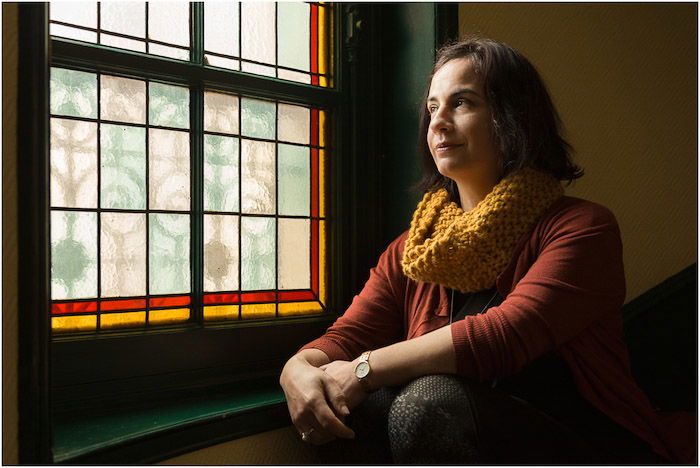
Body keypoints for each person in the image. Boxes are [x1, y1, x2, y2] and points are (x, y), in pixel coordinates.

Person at [279, 36, 688, 464]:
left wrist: (362, 370)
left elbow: (501, 338)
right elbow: (349, 335)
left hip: (583, 440)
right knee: (354, 409)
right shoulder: (414, 248)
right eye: (433, 107)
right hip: (465, 433)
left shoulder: (582, 228)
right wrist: (296, 370)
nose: (437, 122)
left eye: (463, 103)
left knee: (426, 401)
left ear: (513, 117)